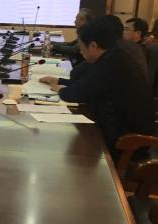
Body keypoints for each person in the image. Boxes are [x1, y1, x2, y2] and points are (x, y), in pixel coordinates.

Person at [40, 16, 154, 158]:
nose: (80, 52)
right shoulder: (114, 55)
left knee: (66, 146)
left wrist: (60, 89)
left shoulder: (110, 62)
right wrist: (59, 80)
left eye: (81, 48)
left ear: (93, 46)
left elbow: (77, 93)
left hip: (126, 143)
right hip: (126, 134)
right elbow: (87, 84)